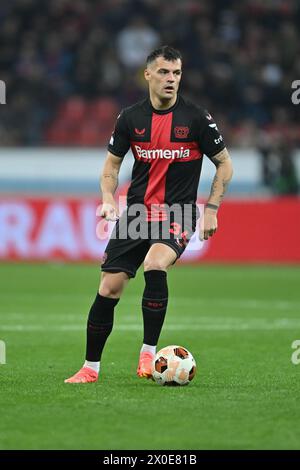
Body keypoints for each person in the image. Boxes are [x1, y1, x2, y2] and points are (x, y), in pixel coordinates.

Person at [65, 45, 233, 384]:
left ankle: (148, 353)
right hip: (138, 212)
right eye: (164, 72)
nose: (171, 79)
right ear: (147, 75)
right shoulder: (130, 118)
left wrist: (212, 209)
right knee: (108, 289)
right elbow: (111, 167)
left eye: (176, 73)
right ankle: (90, 369)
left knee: (155, 264)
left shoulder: (197, 118)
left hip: (179, 212)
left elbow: (224, 164)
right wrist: (108, 198)